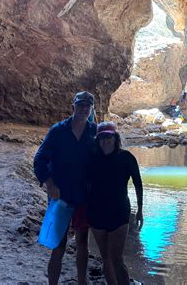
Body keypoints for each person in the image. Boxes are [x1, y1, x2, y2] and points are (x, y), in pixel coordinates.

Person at [34, 91, 97, 285]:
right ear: (73, 106)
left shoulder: (94, 131)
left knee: (82, 242)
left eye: (87, 106)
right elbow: (40, 159)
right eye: (80, 105)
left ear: (92, 108)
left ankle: (81, 282)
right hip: (60, 195)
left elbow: (103, 161)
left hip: (83, 196)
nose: (84, 109)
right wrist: (49, 183)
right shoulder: (58, 131)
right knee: (58, 245)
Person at [87, 122, 143, 285]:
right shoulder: (92, 159)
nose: (106, 140)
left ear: (115, 138)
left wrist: (140, 209)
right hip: (96, 213)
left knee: (116, 259)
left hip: (119, 213)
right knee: (105, 257)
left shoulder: (126, 158)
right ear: (98, 140)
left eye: (109, 136)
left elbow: (138, 183)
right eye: (102, 137)